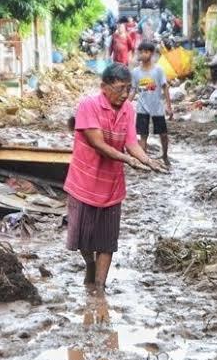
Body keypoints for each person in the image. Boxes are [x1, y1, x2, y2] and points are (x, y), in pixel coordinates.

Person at [64, 64, 166, 292]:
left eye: (128, 89)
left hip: (111, 186)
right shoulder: (88, 106)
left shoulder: (128, 109)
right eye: (120, 89)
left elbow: (131, 142)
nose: (124, 94)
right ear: (104, 87)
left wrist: (147, 160)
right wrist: (128, 160)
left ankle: (99, 289)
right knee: (84, 239)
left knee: (107, 241)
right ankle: (89, 263)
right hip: (84, 182)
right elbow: (97, 143)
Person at [130, 41, 173, 166]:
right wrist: (127, 103)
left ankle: (165, 155)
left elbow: (165, 87)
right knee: (143, 135)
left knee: (163, 134)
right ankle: (144, 159)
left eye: (146, 52)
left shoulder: (158, 70)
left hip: (157, 107)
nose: (143, 54)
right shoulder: (136, 72)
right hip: (142, 107)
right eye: (141, 52)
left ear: (152, 53)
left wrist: (168, 106)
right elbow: (133, 90)